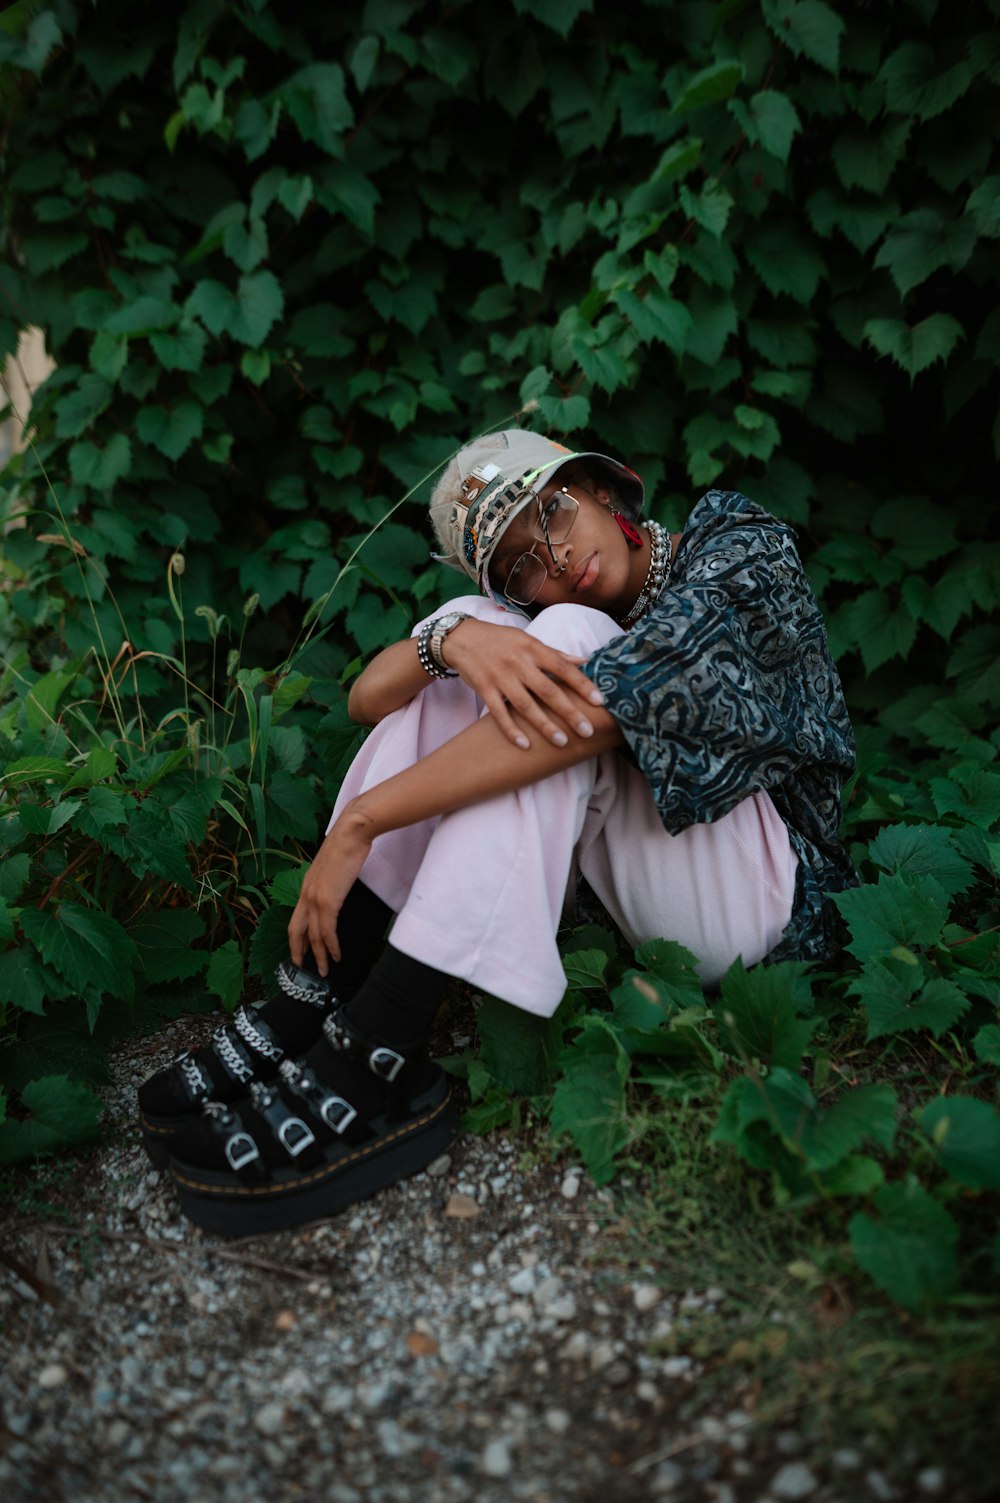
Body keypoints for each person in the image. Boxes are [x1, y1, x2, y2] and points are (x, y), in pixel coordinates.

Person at [138, 428, 857, 1237]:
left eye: (554, 510)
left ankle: (378, 1041)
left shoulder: (739, 544)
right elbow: (367, 698)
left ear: (604, 492)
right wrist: (457, 633)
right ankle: (320, 999)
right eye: (520, 564)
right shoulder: (540, 610)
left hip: (766, 899)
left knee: (567, 643)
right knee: (483, 644)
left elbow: (592, 710)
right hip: (656, 885)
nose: (553, 558)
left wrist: (361, 825)